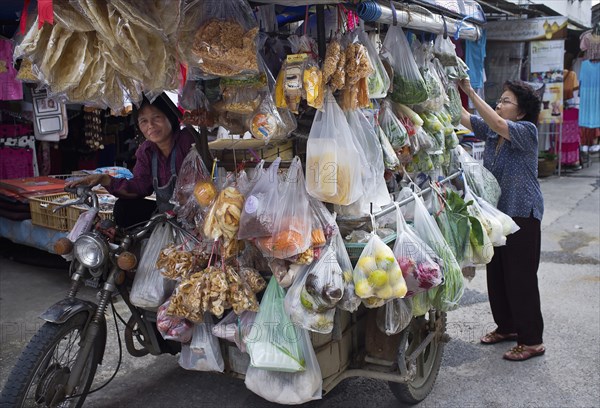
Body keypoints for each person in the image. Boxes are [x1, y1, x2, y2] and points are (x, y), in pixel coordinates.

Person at [458, 79, 545, 362]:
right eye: (500, 99)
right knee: (497, 274)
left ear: (520, 112)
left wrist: (471, 92)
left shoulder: (525, 131)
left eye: (506, 101)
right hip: (498, 216)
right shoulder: (496, 133)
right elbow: (463, 117)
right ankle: (507, 327)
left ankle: (531, 340)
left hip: (523, 213)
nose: (499, 104)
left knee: (520, 278)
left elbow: (495, 122)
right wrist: (440, 89)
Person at [67, 95, 195, 228]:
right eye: (144, 121)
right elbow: (139, 187)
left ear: (170, 116)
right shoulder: (147, 151)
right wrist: (104, 179)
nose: (150, 126)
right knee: (124, 208)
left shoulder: (187, 140)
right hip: (167, 217)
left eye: (156, 117)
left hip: (195, 215)